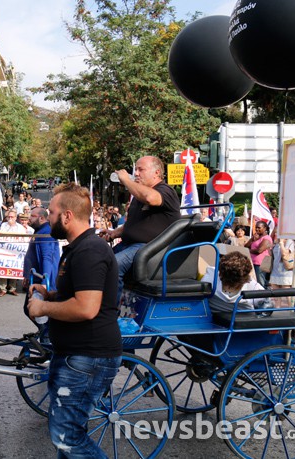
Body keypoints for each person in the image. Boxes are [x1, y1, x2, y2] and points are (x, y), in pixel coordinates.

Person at [27, 184, 122, 458]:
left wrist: (42, 307)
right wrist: (51, 293)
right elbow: (80, 294)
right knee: (67, 437)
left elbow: (86, 308)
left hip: (86, 359)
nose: (48, 217)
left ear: (67, 216)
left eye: (52, 212)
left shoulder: (89, 251)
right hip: (76, 355)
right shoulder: (79, 248)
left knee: (67, 437)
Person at [99, 156, 180, 303]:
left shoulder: (165, 191)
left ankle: (108, 315)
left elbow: (150, 198)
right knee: (97, 262)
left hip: (150, 248)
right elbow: (136, 224)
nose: (136, 173)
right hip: (130, 245)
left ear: (156, 173)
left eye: (140, 169)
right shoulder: (139, 195)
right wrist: (114, 233)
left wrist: (126, 180)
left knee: (113, 266)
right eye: (135, 170)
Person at [201, 251, 266, 313]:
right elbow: (267, 307)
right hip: (242, 319)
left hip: (213, 314)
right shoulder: (254, 288)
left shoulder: (210, 277)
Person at [0, 210, 27, 296]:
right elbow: (1, 236)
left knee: (14, 268)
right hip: (5, 251)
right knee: (4, 268)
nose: (10, 219)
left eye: (12, 217)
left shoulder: (20, 227)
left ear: (16, 218)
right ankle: (3, 288)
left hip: (15, 251)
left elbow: (23, 238)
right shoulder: (3, 225)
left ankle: (12, 288)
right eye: (8, 217)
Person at [244, 221, 273, 287]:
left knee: (261, 282)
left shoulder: (267, 238)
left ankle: (263, 296)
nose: (257, 229)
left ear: (265, 228)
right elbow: (246, 246)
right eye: (256, 227)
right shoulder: (256, 237)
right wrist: (252, 239)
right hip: (254, 262)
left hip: (262, 263)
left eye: (259, 228)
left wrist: (248, 250)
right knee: (253, 281)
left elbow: (259, 250)